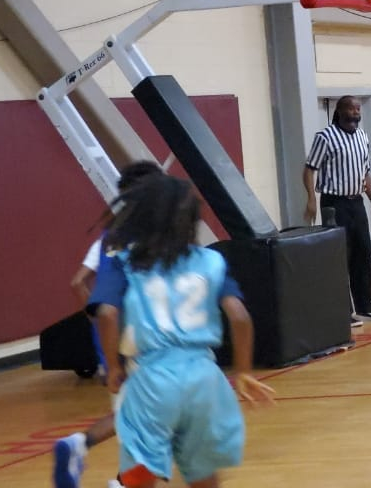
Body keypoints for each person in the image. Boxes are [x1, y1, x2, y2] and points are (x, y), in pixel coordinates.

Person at [87, 173, 274, 488]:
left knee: (140, 473)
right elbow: (240, 316)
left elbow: (106, 314)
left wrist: (114, 366)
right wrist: (243, 371)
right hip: (205, 379)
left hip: (152, 378)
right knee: (203, 474)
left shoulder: (126, 261)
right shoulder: (211, 260)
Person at [55, 161, 162, 488]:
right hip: (144, 343)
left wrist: (96, 319)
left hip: (111, 339)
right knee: (151, 421)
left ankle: (80, 445)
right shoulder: (155, 239)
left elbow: (78, 282)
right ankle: (122, 479)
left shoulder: (107, 237)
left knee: (134, 415)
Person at [303, 96, 371, 324]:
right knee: (340, 256)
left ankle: (364, 306)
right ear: (340, 111)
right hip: (334, 203)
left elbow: (365, 173)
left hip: (356, 202)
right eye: (351, 108)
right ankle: (343, 311)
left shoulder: (363, 136)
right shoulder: (325, 137)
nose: (356, 112)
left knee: (363, 251)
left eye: (358, 109)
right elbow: (309, 170)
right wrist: (311, 198)